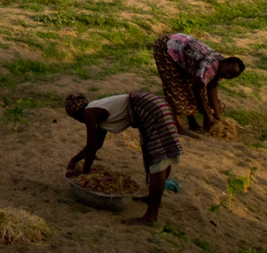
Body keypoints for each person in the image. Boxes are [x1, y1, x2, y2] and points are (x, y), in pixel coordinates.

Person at [65, 92, 183, 225]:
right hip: (155, 104)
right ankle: (153, 198)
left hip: (148, 108)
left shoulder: (89, 113)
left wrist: (84, 171)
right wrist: (75, 159)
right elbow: (97, 144)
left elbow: (91, 146)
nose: (78, 121)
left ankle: (151, 216)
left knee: (158, 158)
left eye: (75, 118)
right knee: (156, 154)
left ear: (77, 113)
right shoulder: (98, 109)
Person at [153, 34, 244, 137]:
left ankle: (192, 123)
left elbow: (212, 88)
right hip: (167, 47)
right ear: (224, 63)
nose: (228, 76)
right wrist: (207, 114)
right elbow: (197, 90)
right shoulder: (210, 65)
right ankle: (179, 127)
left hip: (183, 53)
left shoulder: (223, 68)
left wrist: (217, 115)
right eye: (228, 73)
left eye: (231, 76)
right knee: (175, 88)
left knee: (187, 83)